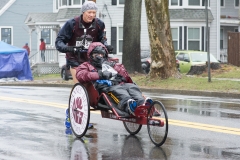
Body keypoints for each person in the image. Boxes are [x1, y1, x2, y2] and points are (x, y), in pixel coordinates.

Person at [55, 1, 112, 129]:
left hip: (92, 60)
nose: (92, 15)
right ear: (83, 12)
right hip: (75, 60)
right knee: (80, 88)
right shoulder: (72, 24)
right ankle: (71, 115)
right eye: (89, 12)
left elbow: (102, 39)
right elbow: (59, 42)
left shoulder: (99, 24)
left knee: (94, 87)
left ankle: (85, 114)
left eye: (94, 13)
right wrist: (70, 49)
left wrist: (106, 46)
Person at [76, 42, 153, 115]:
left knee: (132, 87)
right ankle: (128, 106)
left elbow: (125, 77)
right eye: (96, 54)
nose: (99, 56)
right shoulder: (86, 65)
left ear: (104, 55)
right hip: (104, 88)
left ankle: (143, 104)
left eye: (101, 54)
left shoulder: (110, 63)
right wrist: (99, 74)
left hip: (118, 83)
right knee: (119, 91)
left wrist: (115, 66)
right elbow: (80, 75)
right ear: (91, 55)